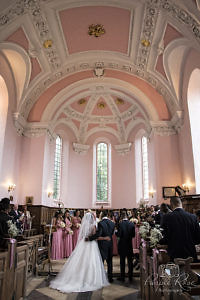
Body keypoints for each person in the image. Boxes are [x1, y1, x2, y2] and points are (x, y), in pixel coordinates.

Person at [50, 212, 109, 293]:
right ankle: (90, 279)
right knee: (91, 261)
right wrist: (104, 238)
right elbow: (95, 236)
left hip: (83, 243)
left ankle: (78, 277)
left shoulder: (84, 226)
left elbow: (83, 235)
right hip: (91, 244)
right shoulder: (93, 226)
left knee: (81, 261)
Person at [160, 196, 200, 261]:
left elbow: (165, 236)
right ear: (181, 204)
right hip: (190, 254)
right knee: (190, 271)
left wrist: (160, 242)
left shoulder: (167, 217)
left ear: (171, 205)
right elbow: (198, 238)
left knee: (174, 270)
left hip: (174, 253)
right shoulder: (193, 217)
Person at [86, 210, 115, 283]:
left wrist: (90, 238)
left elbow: (98, 235)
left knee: (101, 261)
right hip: (110, 244)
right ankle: (110, 278)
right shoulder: (112, 223)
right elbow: (111, 233)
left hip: (102, 244)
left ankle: (101, 277)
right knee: (110, 262)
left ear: (102, 215)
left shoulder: (101, 223)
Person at [116, 210, 135, 282]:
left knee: (122, 261)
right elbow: (133, 235)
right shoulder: (131, 224)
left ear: (121, 216)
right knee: (130, 261)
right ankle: (130, 276)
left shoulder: (120, 224)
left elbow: (119, 234)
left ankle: (122, 277)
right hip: (129, 244)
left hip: (122, 244)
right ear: (127, 216)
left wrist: (116, 233)